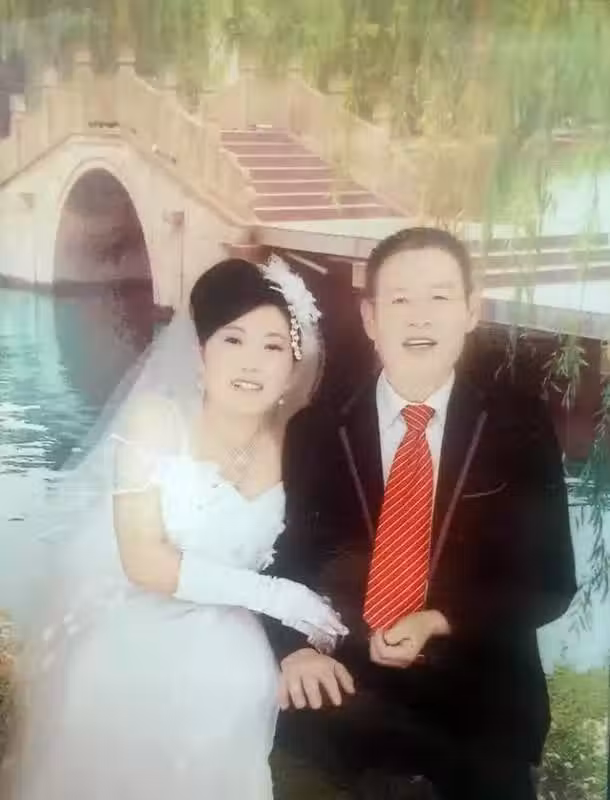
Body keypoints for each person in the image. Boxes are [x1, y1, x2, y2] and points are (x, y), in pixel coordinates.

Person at [0, 256, 347, 800]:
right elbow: (144, 560)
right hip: (136, 617)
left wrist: (304, 634)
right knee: (123, 691)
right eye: (233, 339)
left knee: (237, 685)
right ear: (201, 351)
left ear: (292, 365)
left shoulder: (296, 445)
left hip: (229, 629)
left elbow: (314, 550)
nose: (252, 362)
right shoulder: (156, 421)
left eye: (273, 346)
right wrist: (276, 595)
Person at [265, 227, 577, 800]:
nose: (420, 317)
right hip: (347, 718)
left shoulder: (519, 426)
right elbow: (289, 561)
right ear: (370, 317)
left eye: (439, 296)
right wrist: (294, 648)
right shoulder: (317, 430)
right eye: (400, 299)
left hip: (482, 723)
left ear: (470, 310)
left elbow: (550, 584)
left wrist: (438, 619)